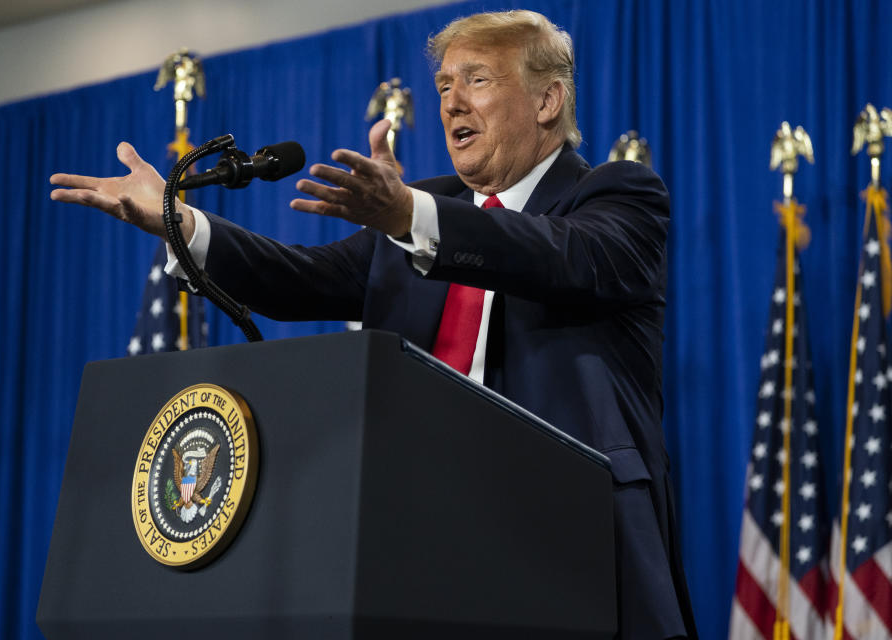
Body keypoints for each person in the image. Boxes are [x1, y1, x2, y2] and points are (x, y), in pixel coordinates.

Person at [50, 10, 696, 639]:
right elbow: (296, 279)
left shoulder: (617, 196)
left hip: (571, 534)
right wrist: (177, 222)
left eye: (476, 80)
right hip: (420, 536)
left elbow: (559, 256)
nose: (451, 103)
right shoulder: (421, 210)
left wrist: (411, 216)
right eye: (443, 86)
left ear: (548, 100)